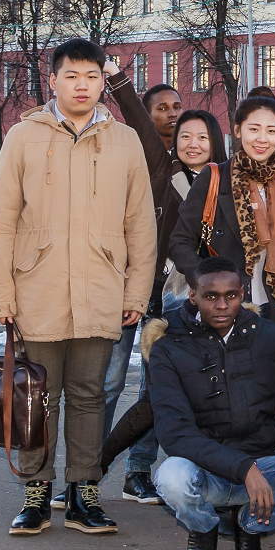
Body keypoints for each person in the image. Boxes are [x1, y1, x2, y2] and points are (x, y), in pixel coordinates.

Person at [0, 38, 156, 537]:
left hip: (102, 287)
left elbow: (140, 224)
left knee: (88, 396)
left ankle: (85, 495)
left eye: (92, 77)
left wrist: (136, 292)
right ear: (53, 81)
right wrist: (0, 294)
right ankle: (36, 493)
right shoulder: (24, 137)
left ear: (104, 82)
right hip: (36, 287)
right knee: (38, 396)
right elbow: (1, 221)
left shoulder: (124, 141)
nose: (82, 86)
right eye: (72, 76)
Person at [151, 257, 275, 550]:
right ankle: (203, 527)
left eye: (231, 295)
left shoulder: (270, 336)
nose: (222, 305)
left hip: (262, 467)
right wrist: (243, 468)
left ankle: (249, 526)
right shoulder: (168, 346)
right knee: (171, 478)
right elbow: (174, 433)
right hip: (204, 469)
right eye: (211, 296)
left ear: (243, 292)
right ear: (192, 295)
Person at [113, 106, 227, 504]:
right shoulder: (165, 176)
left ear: (215, 141)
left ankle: (202, 468)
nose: (192, 144)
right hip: (169, 296)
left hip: (220, 302)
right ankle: (137, 469)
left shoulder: (226, 182)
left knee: (210, 389)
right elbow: (143, 127)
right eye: (184, 137)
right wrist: (115, 79)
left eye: (201, 137)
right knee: (157, 387)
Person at [97, 66, 182, 485]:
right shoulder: (144, 157)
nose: (172, 114)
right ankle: (87, 470)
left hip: (167, 294)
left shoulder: (197, 170)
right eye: (161, 109)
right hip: (127, 285)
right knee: (109, 382)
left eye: (177, 106)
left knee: (154, 391)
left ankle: (137, 470)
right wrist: (117, 81)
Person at [168, 97, 275, 327]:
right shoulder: (214, 178)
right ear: (238, 130)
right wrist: (208, 282)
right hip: (223, 309)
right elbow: (179, 242)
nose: (262, 139)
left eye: (271, 131)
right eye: (254, 129)